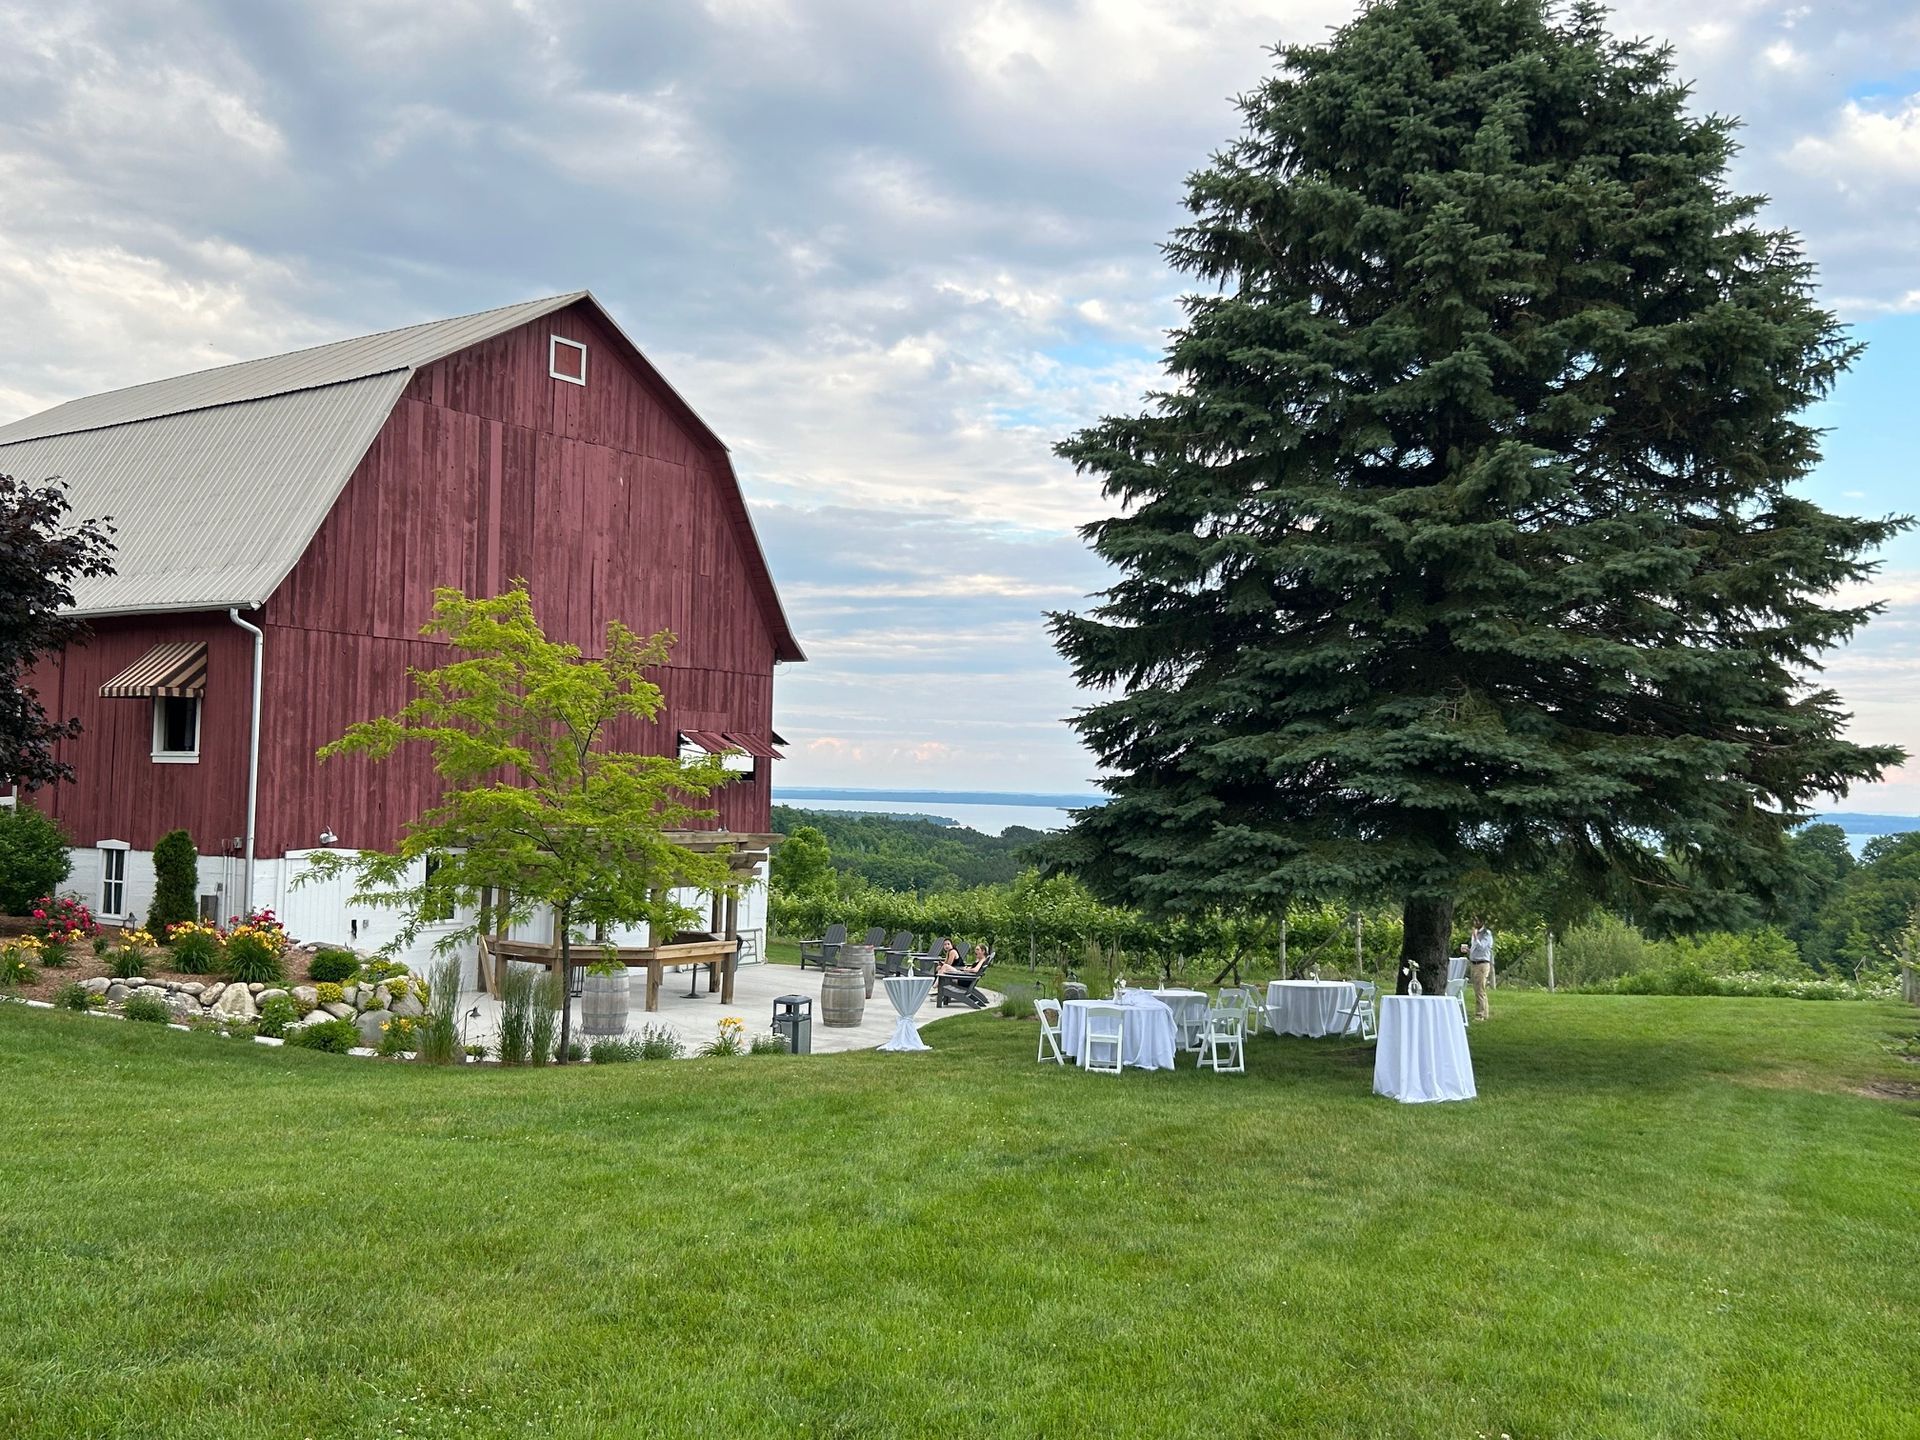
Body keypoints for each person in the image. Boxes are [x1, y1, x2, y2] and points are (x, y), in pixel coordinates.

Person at [1467, 918, 1494, 1021]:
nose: (1475, 923)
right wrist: (1469, 950)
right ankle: (1484, 1012)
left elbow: (1483, 947)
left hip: (1482, 964)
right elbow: (1476, 948)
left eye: (1478, 921)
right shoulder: (1476, 933)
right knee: (1477, 989)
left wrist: (1475, 936)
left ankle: (1480, 1014)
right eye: (1474, 921)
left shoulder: (1487, 934)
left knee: (1480, 990)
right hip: (1474, 963)